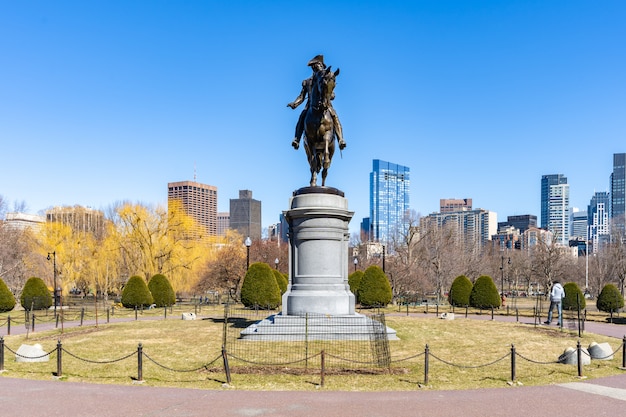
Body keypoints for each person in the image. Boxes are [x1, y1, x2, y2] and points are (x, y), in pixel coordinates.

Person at [288, 54, 345, 150]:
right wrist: (295, 104)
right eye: (314, 66)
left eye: (318, 65)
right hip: (310, 106)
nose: (316, 67)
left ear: (321, 66)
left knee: (334, 116)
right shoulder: (307, 82)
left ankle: (341, 139)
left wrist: (330, 95)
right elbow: (302, 96)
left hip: (325, 104)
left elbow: (331, 92)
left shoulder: (325, 78)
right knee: (302, 117)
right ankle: (296, 139)